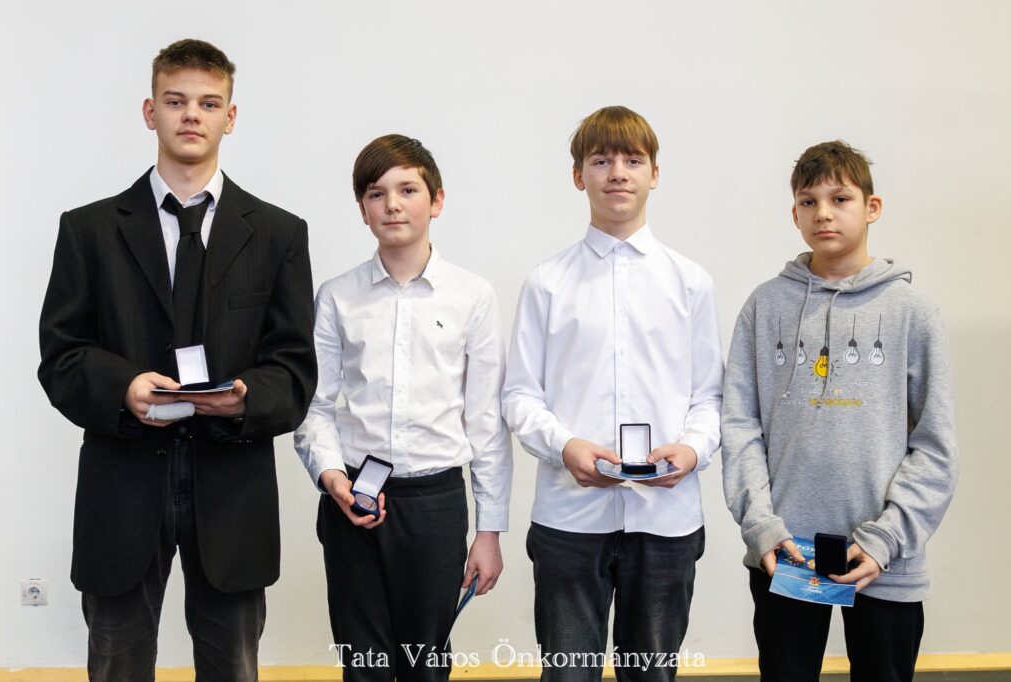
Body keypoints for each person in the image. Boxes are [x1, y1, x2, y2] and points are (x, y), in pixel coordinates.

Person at [37, 38, 316, 681]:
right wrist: (124, 387)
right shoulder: (88, 229)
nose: (192, 114)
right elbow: (61, 355)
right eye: (175, 101)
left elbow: (295, 368)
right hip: (123, 482)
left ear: (230, 117)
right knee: (116, 665)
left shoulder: (279, 234)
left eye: (208, 103)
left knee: (233, 668)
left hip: (233, 489)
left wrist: (245, 398)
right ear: (150, 111)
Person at [721, 140, 959, 681]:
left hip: (885, 556)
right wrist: (761, 525)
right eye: (808, 201)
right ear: (795, 214)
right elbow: (739, 426)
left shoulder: (913, 312)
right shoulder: (764, 305)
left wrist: (887, 537)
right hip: (786, 552)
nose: (823, 213)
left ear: (872, 207)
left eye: (840, 198)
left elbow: (936, 445)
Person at [502, 106, 724, 682]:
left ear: (655, 174)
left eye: (633, 160)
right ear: (579, 175)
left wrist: (692, 450)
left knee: (652, 675)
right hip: (570, 517)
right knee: (568, 675)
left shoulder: (690, 282)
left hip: (666, 517)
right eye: (601, 160)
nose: (618, 173)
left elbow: (709, 397)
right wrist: (565, 446)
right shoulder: (547, 282)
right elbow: (520, 395)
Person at [294, 134, 513, 682]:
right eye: (377, 193)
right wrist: (331, 478)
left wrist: (489, 532)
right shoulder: (337, 296)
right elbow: (314, 405)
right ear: (362, 210)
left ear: (436, 201)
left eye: (408, 190)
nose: (392, 204)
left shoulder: (472, 296)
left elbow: (485, 421)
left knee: (425, 665)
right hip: (352, 497)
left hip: (434, 504)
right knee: (363, 664)